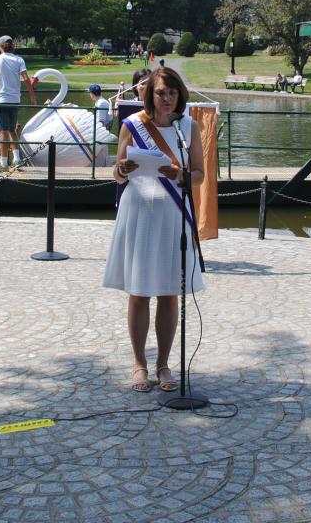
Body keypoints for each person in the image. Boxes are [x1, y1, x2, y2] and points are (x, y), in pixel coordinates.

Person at [103, 67, 205, 393]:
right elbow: (118, 175)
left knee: (169, 291)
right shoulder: (132, 125)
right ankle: (139, 364)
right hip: (140, 211)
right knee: (139, 291)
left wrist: (179, 174)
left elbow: (200, 175)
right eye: (161, 93)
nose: (167, 98)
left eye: (172, 93)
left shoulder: (188, 127)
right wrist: (121, 168)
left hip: (173, 212)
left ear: (180, 95)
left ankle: (163, 363)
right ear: (150, 94)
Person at [0, 35, 36, 168]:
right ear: (12, 46)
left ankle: (3, 163)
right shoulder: (19, 59)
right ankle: (17, 159)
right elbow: (26, 78)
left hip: (1, 100)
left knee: (3, 131)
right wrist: (32, 96)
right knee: (12, 130)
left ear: (0, 46)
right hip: (15, 100)